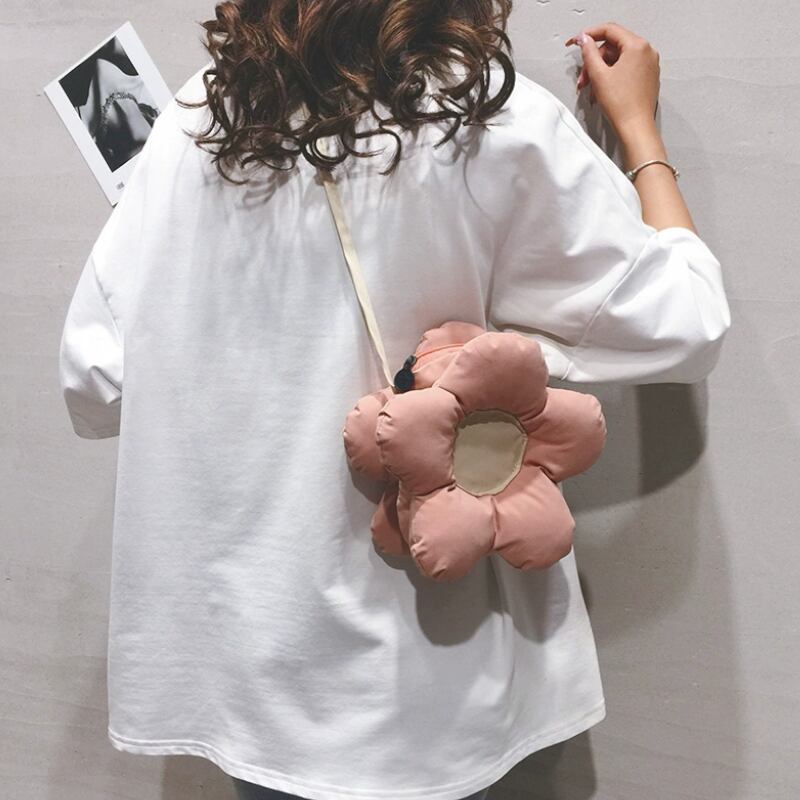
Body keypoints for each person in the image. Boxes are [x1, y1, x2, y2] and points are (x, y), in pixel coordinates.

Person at [58, 2, 731, 798]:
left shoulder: (194, 124)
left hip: (255, 673)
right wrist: (640, 134)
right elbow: (686, 321)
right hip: (426, 678)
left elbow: (96, 376)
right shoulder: (483, 118)